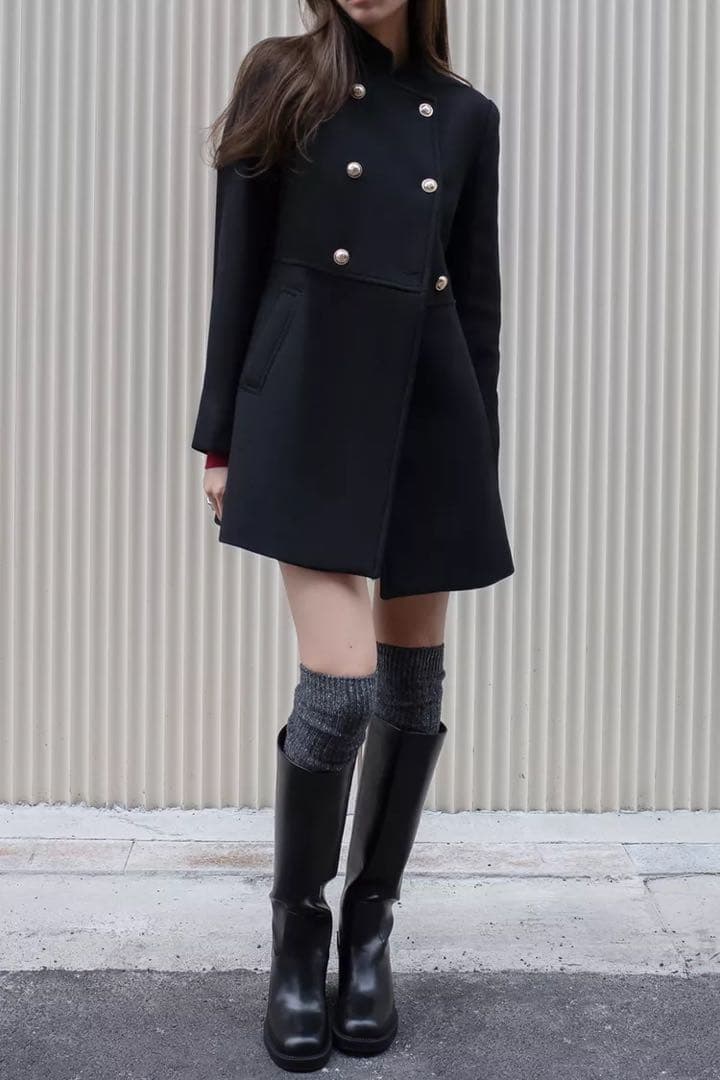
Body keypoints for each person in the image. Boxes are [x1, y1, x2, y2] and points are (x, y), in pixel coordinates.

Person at [191, 0, 514, 1070]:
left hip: (430, 411)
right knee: (342, 688)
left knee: (415, 688)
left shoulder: (466, 117)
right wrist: (221, 438)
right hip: (308, 405)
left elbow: (478, 303)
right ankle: (298, 936)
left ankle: (370, 930)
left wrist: (478, 453)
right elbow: (237, 267)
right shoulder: (282, 76)